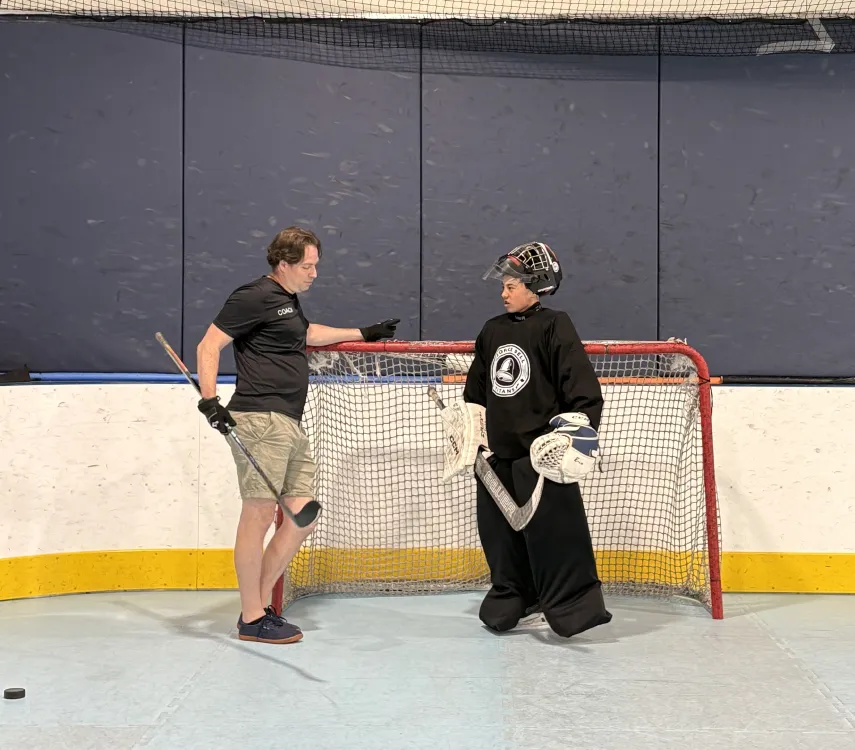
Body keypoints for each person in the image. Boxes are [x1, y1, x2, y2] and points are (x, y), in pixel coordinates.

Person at [195, 225, 399, 645]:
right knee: (258, 515)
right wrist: (211, 401)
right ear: (283, 264)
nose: (314, 273)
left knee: (303, 514)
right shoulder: (253, 295)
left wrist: (362, 332)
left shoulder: (286, 303)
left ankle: (255, 607)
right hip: (259, 418)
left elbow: (306, 335)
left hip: (289, 421)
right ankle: (253, 616)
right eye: (307, 266)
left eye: (315, 265)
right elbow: (208, 346)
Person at [458, 241, 613, 638]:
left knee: (555, 535)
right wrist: (471, 440)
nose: (503, 293)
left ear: (536, 286)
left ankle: (573, 606)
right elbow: (476, 394)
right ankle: (514, 597)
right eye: (503, 286)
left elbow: (582, 390)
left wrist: (576, 439)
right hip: (498, 460)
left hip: (542, 459)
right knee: (499, 537)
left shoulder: (554, 325)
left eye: (511, 286)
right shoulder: (492, 330)